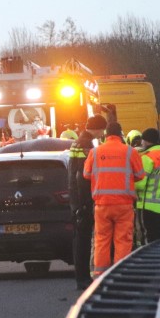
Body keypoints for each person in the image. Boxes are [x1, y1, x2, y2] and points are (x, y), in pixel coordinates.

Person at [83, 122, 145, 278]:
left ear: (105, 134)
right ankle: (120, 274)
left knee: (102, 240)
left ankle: (100, 274)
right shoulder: (130, 152)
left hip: (102, 205)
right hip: (124, 204)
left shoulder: (95, 152)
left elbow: (86, 174)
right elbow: (140, 175)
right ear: (121, 134)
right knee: (123, 240)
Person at [68, 114, 107, 290]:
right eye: (102, 130)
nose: (102, 134)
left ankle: (81, 277)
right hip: (82, 199)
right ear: (98, 128)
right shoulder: (86, 144)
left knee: (80, 240)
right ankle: (82, 278)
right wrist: (84, 203)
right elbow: (83, 176)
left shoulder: (79, 141)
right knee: (83, 241)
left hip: (76, 199)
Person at [134, 128, 160, 243]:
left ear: (146, 141)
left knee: (148, 240)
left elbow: (140, 184)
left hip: (147, 206)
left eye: (142, 140)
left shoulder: (146, 158)